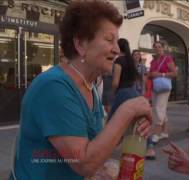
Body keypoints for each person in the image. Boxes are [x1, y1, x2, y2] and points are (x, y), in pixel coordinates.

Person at [9, 2, 151, 180]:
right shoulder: (54, 87)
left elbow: (95, 144)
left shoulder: (89, 86)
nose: (116, 49)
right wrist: (127, 110)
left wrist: (129, 127)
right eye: (109, 39)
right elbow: (84, 163)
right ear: (81, 44)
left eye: (117, 41)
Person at [145, 41, 177, 160]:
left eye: (159, 47)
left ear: (163, 48)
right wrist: (150, 74)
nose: (157, 49)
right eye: (155, 47)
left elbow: (174, 73)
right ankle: (165, 131)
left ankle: (156, 135)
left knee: (159, 109)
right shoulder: (153, 61)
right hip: (155, 87)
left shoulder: (167, 58)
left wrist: (160, 75)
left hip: (164, 87)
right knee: (158, 108)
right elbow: (152, 74)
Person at [108, 38, 140, 120]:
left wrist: (112, 93)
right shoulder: (131, 61)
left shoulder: (119, 61)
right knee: (129, 119)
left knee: (113, 119)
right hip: (133, 91)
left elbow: (115, 82)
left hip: (122, 92)